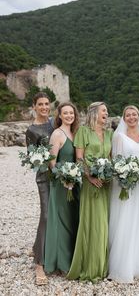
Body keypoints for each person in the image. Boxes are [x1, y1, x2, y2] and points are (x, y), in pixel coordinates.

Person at [67, 102, 113, 282]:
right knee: (93, 223)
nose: (106, 113)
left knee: (105, 223)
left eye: (107, 111)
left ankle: (103, 266)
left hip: (106, 184)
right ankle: (90, 266)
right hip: (90, 183)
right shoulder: (83, 132)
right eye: (104, 110)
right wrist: (91, 177)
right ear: (94, 112)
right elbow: (79, 158)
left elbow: (110, 158)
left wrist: (111, 174)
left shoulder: (110, 133)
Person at [108, 105, 139, 283]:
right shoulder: (119, 137)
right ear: (124, 118)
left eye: (134, 114)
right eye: (128, 115)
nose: (131, 117)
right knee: (126, 220)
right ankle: (124, 266)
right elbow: (116, 161)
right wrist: (126, 175)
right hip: (126, 186)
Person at [44, 102, 80, 274]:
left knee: (73, 220)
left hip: (75, 183)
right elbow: (52, 163)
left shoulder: (75, 133)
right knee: (62, 221)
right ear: (59, 115)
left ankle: (73, 259)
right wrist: (64, 178)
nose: (69, 116)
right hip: (61, 183)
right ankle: (61, 263)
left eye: (71, 113)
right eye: (65, 113)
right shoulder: (57, 134)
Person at [25, 92, 54, 285]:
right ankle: (39, 264)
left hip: (63, 177)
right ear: (34, 106)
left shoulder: (55, 123)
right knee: (45, 216)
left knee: (61, 214)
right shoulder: (32, 130)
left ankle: (52, 253)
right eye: (40, 104)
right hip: (44, 177)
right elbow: (32, 160)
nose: (44, 107)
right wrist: (49, 165)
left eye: (46, 104)